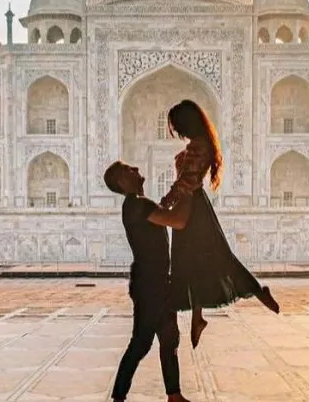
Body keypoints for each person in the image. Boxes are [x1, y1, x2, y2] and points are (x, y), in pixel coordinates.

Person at [160, 99, 280, 349]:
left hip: (193, 208)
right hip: (190, 205)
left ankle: (258, 291)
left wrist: (167, 201)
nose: (177, 131)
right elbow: (187, 178)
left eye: (177, 125)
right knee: (188, 263)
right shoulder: (198, 144)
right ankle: (197, 318)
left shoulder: (198, 146)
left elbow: (188, 181)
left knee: (217, 258)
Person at [103, 160, 192, 402]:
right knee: (141, 343)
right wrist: (189, 191)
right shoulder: (136, 205)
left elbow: (165, 213)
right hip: (150, 286)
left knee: (169, 338)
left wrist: (177, 193)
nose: (135, 169)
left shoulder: (138, 205)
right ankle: (119, 397)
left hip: (157, 282)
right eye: (128, 170)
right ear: (121, 181)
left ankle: (174, 395)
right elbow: (179, 221)